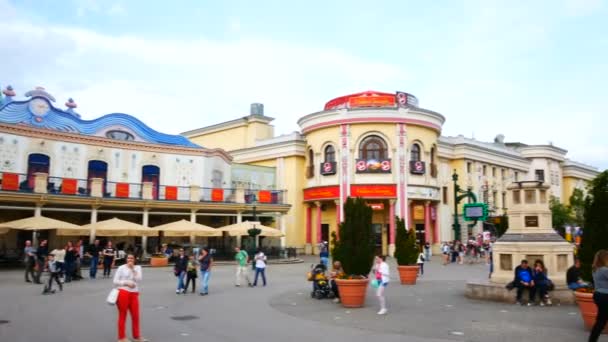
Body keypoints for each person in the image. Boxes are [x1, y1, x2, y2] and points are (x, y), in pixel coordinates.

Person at [113, 254, 147, 342]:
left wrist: (132, 269)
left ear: (134, 259)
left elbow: (139, 279)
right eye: (128, 258)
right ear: (126, 259)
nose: (130, 259)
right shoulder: (121, 268)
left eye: (132, 258)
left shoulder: (138, 268)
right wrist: (126, 283)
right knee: (122, 315)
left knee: (136, 316)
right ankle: (121, 338)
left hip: (134, 293)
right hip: (123, 292)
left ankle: (137, 336)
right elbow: (115, 281)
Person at [589, 250, 608, 342]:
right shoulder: (605, 270)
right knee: (601, 321)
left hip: (598, 295)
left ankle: (592, 340)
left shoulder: (595, 269)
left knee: (601, 320)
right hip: (605, 296)